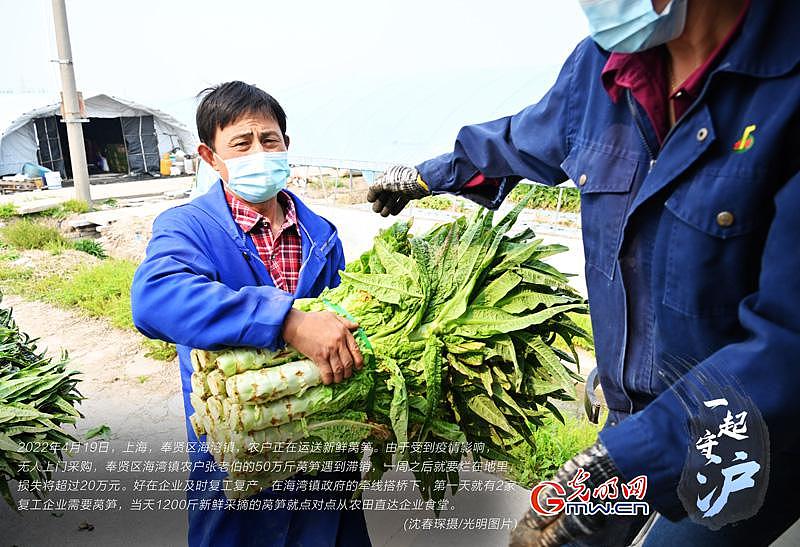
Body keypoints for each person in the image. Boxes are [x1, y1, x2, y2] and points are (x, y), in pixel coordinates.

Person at [366, 1, 800, 545]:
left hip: (741, 438)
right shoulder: (600, 69)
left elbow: (789, 346)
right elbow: (523, 138)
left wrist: (618, 464)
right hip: (631, 416)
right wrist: (430, 175)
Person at [131, 81, 371, 547]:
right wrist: (286, 320)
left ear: (287, 145)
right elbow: (154, 298)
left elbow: (343, 321)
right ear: (210, 157)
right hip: (238, 443)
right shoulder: (189, 227)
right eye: (241, 143)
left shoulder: (321, 233)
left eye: (270, 140)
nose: (259, 151)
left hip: (321, 443)